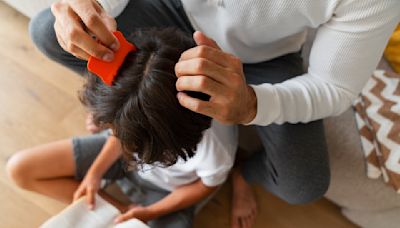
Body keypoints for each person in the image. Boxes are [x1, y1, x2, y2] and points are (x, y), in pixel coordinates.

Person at [28, 0, 400, 228]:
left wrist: (253, 105)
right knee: (46, 30)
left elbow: (333, 89)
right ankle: (129, 104)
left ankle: (242, 172)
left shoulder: (214, 154)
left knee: (303, 185)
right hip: (172, 8)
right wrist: (94, 9)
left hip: (264, 56)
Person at [6, 28, 238, 228]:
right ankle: (119, 209)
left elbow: (206, 186)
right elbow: (121, 137)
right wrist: (94, 175)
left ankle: (123, 212)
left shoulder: (217, 147)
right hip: (117, 158)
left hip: (168, 192)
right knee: (20, 169)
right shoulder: (134, 115)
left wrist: (151, 213)